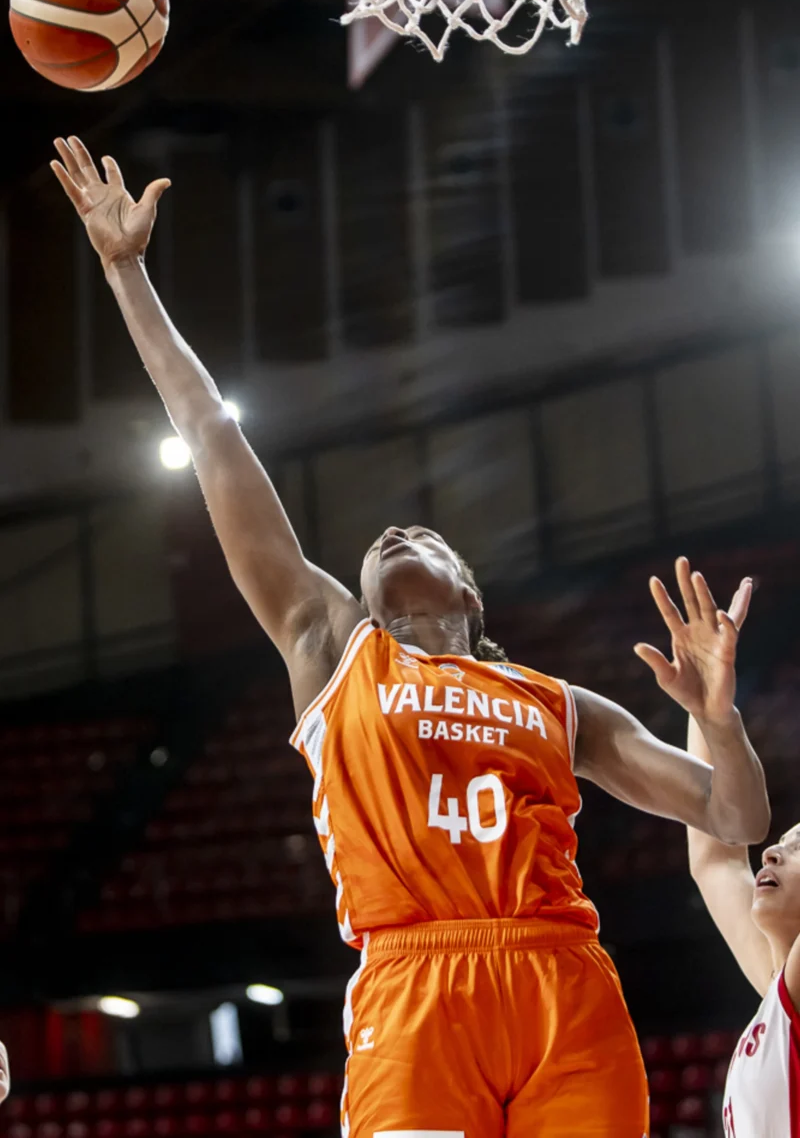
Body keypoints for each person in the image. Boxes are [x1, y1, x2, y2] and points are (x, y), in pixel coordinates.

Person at [51, 135, 770, 1138]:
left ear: (470, 597)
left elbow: (732, 821)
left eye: (420, 531)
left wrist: (718, 720)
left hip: (563, 983)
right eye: (373, 542)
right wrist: (126, 271)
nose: (388, 531)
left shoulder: (559, 703)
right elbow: (209, 428)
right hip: (413, 980)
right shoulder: (327, 642)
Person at [671, 573, 798, 1138]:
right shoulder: (778, 989)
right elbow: (718, 856)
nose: (772, 850)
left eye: (799, 850)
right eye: (782, 841)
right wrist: (709, 710)